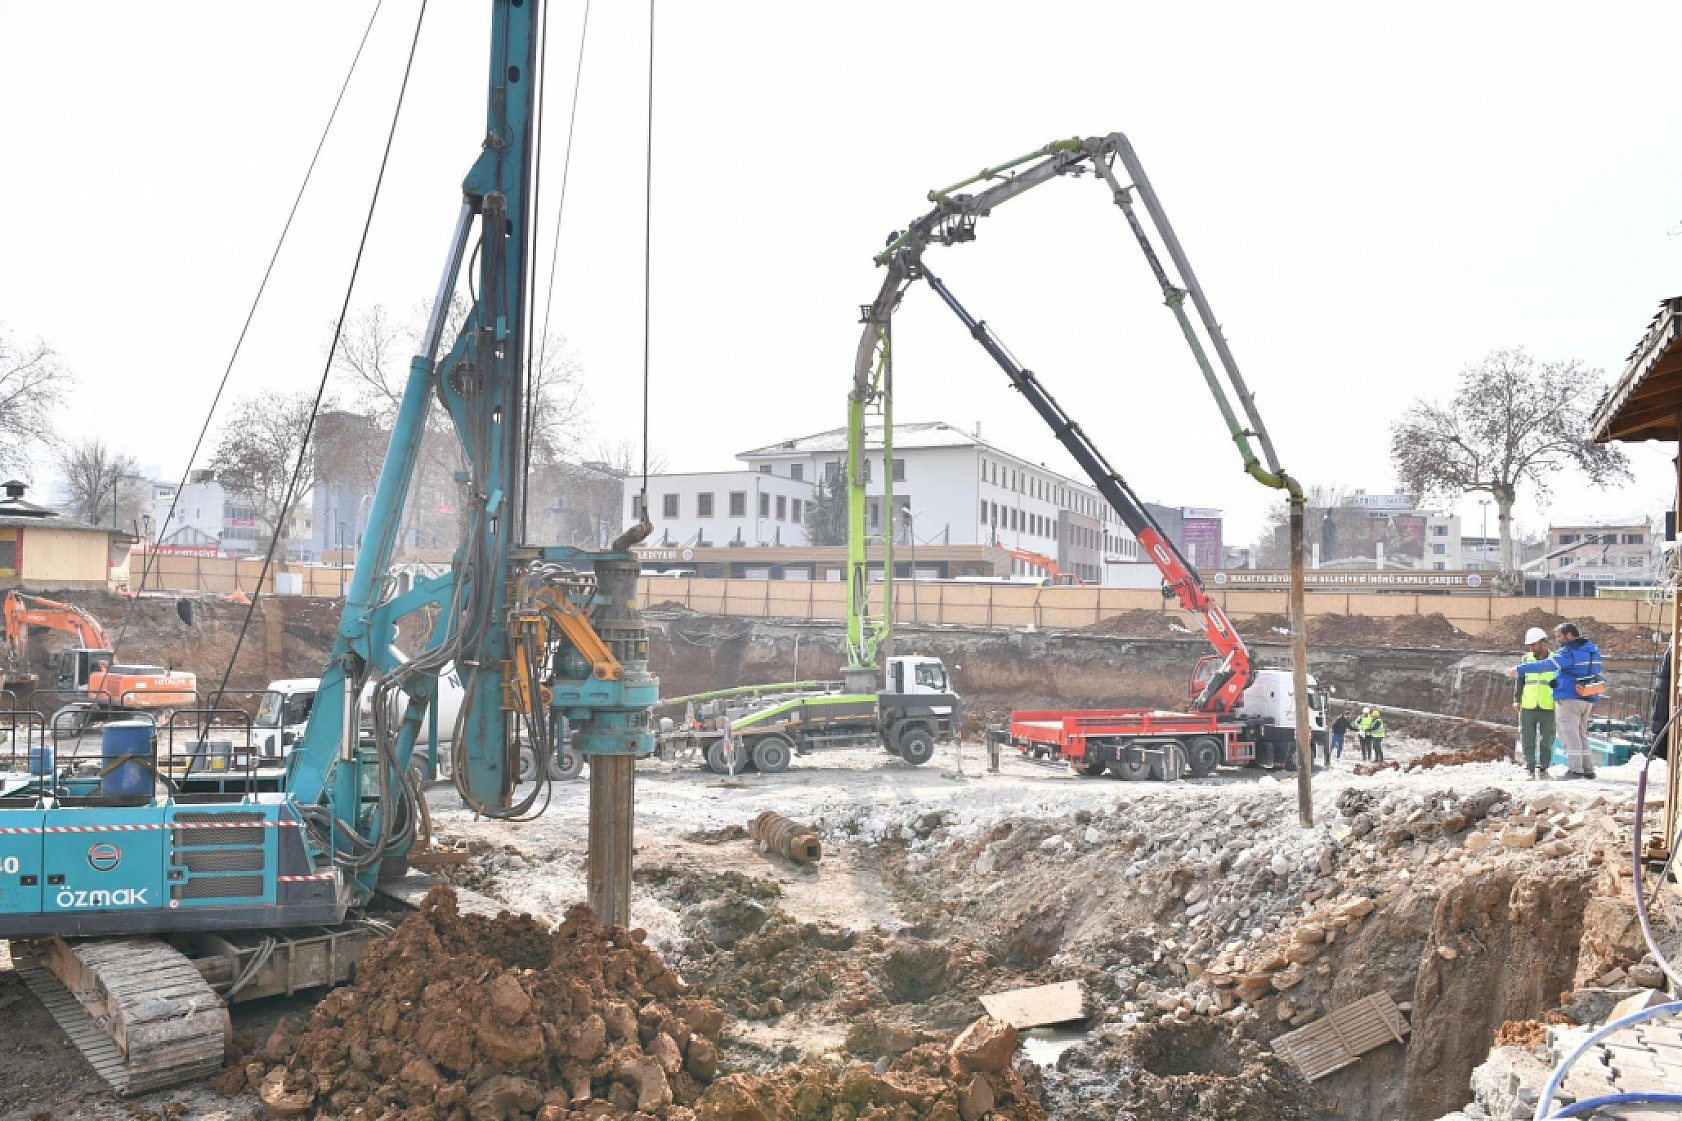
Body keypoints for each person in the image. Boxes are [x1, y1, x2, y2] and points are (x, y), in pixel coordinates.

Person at [1514, 622, 1602, 780]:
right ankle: (1588, 769)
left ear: (1569, 635)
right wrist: (1594, 700)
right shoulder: (1592, 651)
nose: (1558, 640)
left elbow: (1548, 665)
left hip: (1569, 698)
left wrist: (1520, 669)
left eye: (1559, 637)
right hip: (1586, 697)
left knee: (1570, 735)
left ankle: (1576, 770)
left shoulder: (1568, 652)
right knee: (1581, 734)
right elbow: (1595, 676)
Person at [1513, 626, 1556, 780]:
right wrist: (1517, 699)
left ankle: (1543, 769)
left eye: (1534, 644)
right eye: (1530, 645)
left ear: (1543, 643)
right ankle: (1529, 768)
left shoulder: (1555, 660)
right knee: (1527, 737)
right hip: (1528, 704)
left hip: (1548, 705)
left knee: (1548, 739)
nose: (1531, 648)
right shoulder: (1526, 659)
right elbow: (1520, 681)